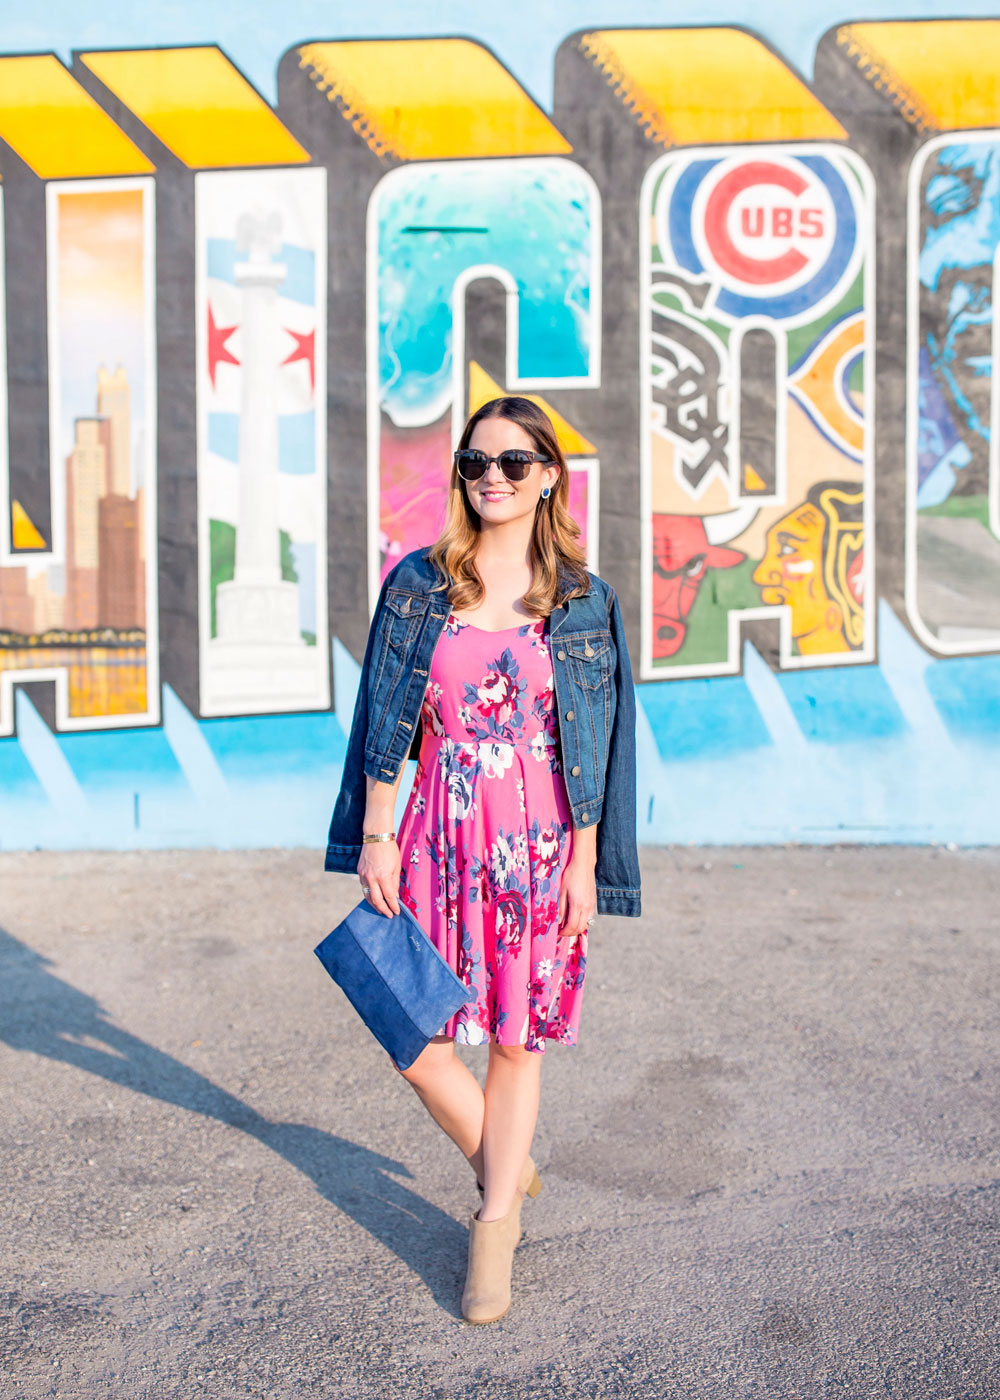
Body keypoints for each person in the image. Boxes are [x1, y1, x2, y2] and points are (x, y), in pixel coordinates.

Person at [325, 394, 641, 1323]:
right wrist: (375, 832)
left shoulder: (584, 602)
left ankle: (494, 1221)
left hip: (541, 840)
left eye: (512, 462)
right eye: (475, 462)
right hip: (438, 833)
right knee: (411, 1029)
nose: (491, 477)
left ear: (549, 476)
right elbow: (382, 724)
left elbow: (601, 745)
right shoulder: (419, 584)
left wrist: (588, 865)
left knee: (515, 1036)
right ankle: (502, 1155)